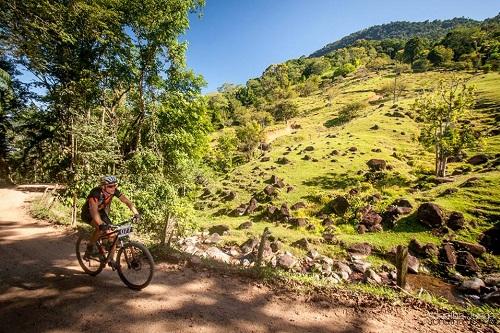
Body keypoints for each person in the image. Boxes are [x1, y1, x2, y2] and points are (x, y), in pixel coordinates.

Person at [81, 175, 139, 264]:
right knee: (100, 229)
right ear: (103, 186)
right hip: (89, 213)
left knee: (113, 234)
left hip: (101, 212)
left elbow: (127, 201)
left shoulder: (114, 191)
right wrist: (100, 224)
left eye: (115, 185)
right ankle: (90, 248)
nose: (113, 188)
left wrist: (136, 213)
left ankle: (111, 259)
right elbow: (94, 212)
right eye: (110, 186)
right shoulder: (95, 193)